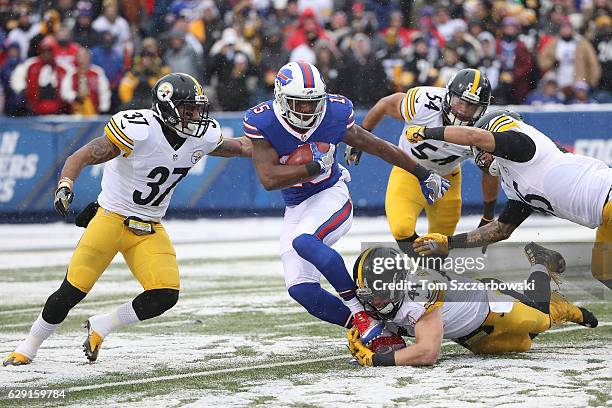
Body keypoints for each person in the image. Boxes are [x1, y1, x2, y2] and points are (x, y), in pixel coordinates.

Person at [3, 73, 252, 366]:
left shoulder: (202, 135)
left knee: (165, 294)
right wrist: (65, 184)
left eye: (198, 109)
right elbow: (81, 155)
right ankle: (28, 346)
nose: (196, 116)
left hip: (149, 226)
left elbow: (242, 147)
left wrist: (283, 142)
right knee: (72, 290)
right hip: (111, 218)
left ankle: (103, 325)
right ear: (167, 107)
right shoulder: (140, 129)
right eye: (189, 110)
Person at [244, 61, 450, 344]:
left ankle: (361, 312)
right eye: (298, 103)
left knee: (303, 241)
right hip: (297, 205)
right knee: (301, 289)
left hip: (331, 194)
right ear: (281, 99)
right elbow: (268, 179)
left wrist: (423, 173)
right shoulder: (264, 121)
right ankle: (377, 329)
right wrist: (314, 167)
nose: (307, 110)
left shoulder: (334, 113)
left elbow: (377, 145)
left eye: (312, 103)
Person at [404, 110, 612, 289]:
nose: (480, 156)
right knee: (604, 272)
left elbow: (473, 136)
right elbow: (500, 230)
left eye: (482, 148)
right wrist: (449, 243)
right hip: (606, 215)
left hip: (609, 198)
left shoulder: (523, 145)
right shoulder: (513, 179)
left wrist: (426, 132)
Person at [347, 244, 598, 367]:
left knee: (540, 320)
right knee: (522, 343)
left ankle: (545, 272)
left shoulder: (420, 296)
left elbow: (428, 353)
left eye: (379, 294)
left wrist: (377, 360)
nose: (374, 302)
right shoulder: (376, 297)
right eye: (368, 295)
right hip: (469, 333)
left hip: (489, 302)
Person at [348, 68, 498, 256]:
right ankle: (425, 267)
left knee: (440, 243)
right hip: (410, 170)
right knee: (402, 228)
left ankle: (432, 275)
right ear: (448, 95)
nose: (463, 110)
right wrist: (362, 135)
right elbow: (385, 104)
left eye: (471, 107)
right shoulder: (424, 103)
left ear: (482, 109)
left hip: (447, 179)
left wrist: (488, 215)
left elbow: (490, 171)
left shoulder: (484, 129)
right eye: (460, 102)